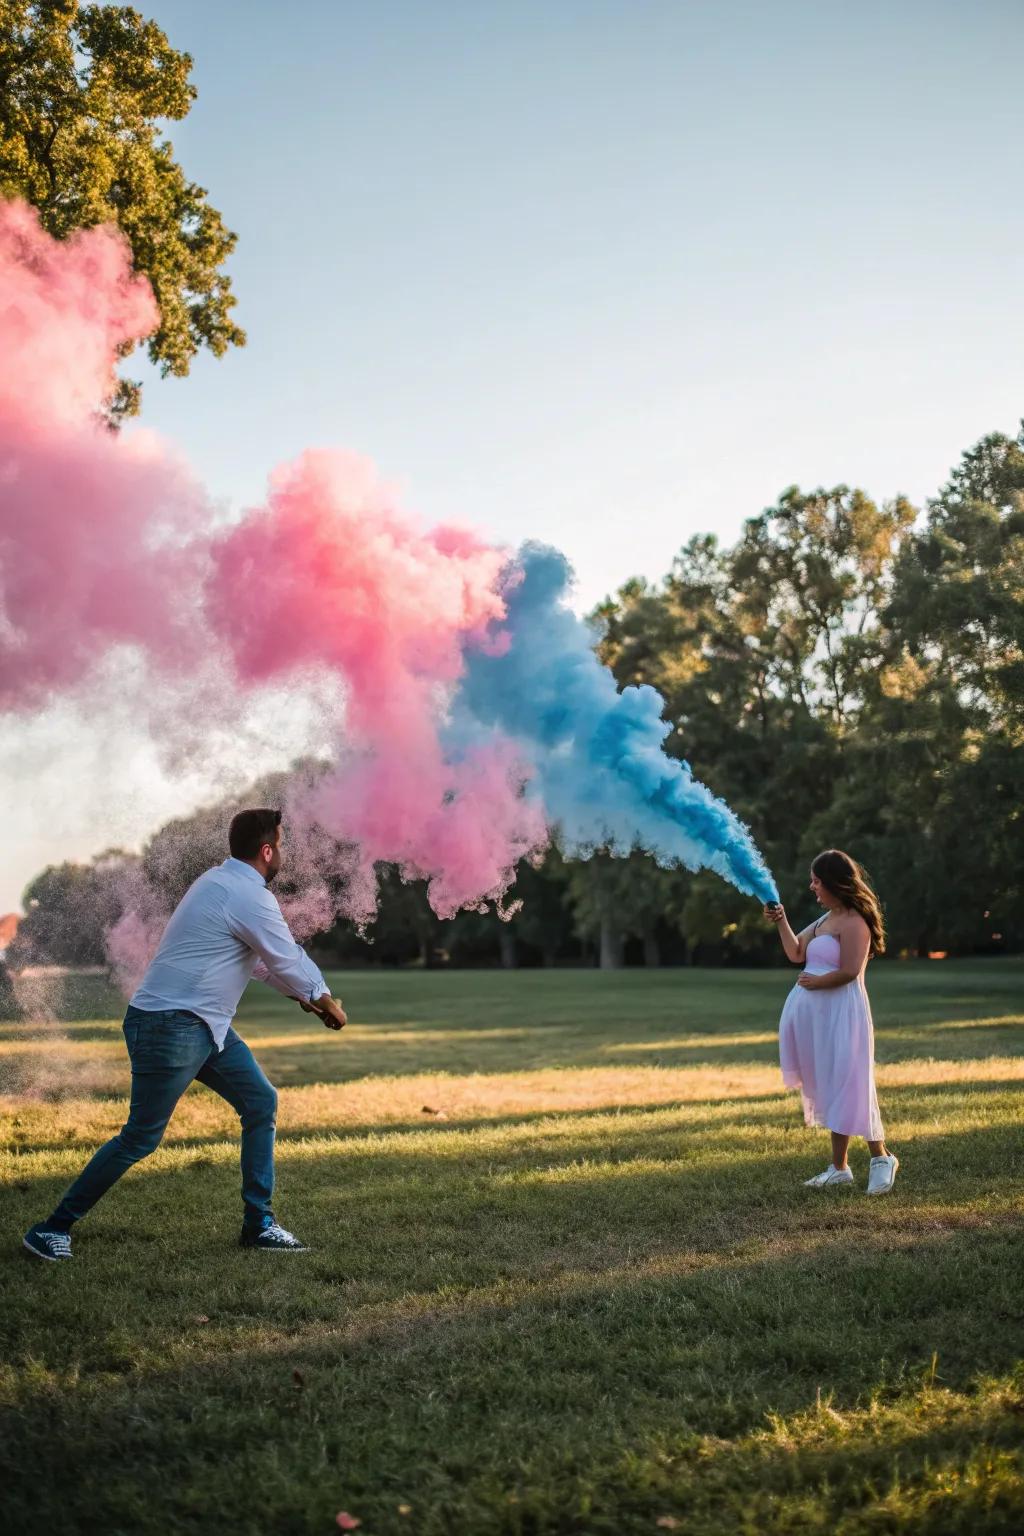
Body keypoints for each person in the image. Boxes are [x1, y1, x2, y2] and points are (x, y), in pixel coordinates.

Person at [23, 808, 347, 1262]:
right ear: (267, 849)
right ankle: (51, 1229)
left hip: (202, 1026)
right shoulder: (247, 894)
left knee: (260, 1102)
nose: (284, 853)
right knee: (139, 1138)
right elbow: (286, 957)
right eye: (282, 843)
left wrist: (301, 997)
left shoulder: (217, 883)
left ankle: (260, 1225)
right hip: (173, 1026)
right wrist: (324, 997)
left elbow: (257, 961)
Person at [764, 848, 898, 1195]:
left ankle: (881, 1158)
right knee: (831, 1084)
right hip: (819, 1018)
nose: (812, 887)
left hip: (844, 1012)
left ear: (835, 883)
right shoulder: (823, 921)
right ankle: (839, 1168)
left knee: (852, 1082)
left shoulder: (854, 921)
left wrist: (815, 982)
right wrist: (781, 920)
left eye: (817, 881)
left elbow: (851, 971)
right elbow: (795, 953)